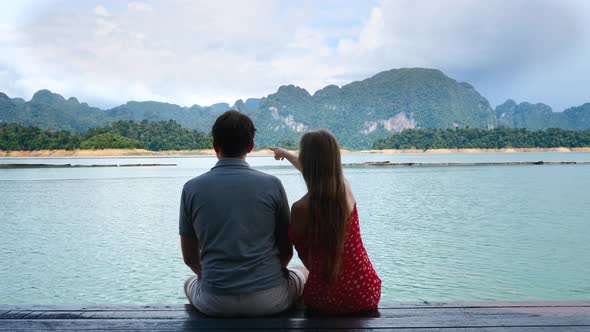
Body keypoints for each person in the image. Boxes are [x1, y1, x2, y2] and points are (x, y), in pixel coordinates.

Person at [179, 110, 307, 317]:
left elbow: (189, 257)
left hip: (214, 302)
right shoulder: (272, 185)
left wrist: (220, 281)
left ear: (214, 145)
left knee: (188, 283)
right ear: (250, 146)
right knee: (303, 272)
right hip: (271, 299)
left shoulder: (191, 188)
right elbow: (286, 251)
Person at [270, 129, 381, 315]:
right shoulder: (345, 189)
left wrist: (287, 154)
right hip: (366, 291)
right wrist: (288, 155)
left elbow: (307, 261)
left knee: (298, 271)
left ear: (305, 161)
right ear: (335, 159)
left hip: (324, 300)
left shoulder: (300, 209)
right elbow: (319, 171)